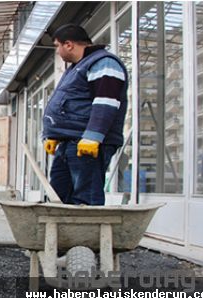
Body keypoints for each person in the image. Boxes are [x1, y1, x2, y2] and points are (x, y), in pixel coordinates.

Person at [42, 24, 129, 205]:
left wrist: (93, 136)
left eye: (57, 46)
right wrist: (54, 135)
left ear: (69, 44)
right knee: (58, 197)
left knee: (85, 198)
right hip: (70, 143)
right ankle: (62, 233)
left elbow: (106, 102)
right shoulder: (75, 69)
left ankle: (88, 234)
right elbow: (72, 104)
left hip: (87, 144)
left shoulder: (103, 63)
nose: (57, 51)